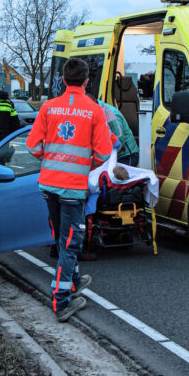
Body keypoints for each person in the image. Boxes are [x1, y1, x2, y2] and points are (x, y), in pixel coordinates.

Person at [26, 57, 113, 322]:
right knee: (70, 242)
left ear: (63, 80)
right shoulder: (94, 110)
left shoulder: (49, 108)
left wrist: (51, 158)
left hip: (49, 185)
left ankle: (73, 280)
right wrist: (85, 163)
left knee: (62, 237)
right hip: (73, 190)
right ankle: (62, 301)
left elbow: (32, 146)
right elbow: (103, 153)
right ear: (87, 82)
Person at [98, 100, 139, 166]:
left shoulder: (112, 114)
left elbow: (120, 140)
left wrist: (105, 157)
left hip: (127, 155)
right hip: (117, 155)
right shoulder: (98, 111)